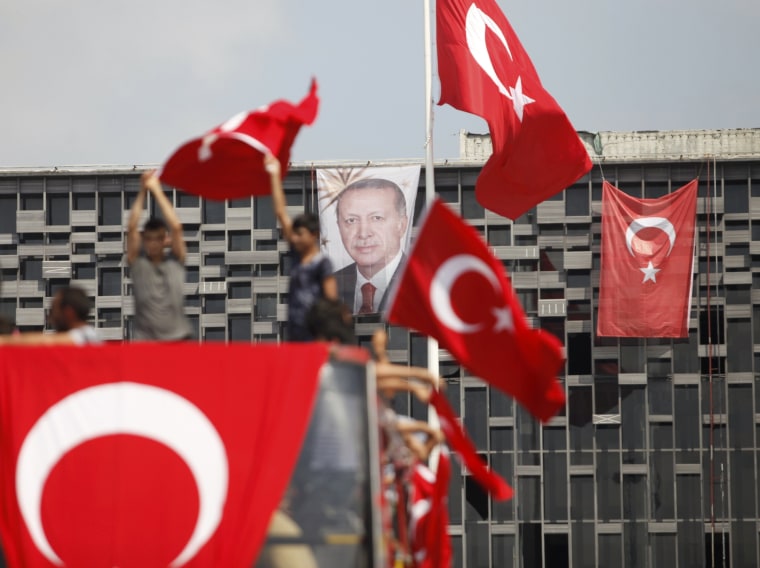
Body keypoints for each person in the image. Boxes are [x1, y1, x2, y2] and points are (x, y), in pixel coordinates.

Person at [267, 154, 338, 341]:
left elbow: (331, 300)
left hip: (316, 334)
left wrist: (329, 335)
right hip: (295, 332)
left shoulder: (322, 263)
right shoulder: (297, 256)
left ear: (314, 235)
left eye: (301, 234)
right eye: (295, 233)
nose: (296, 238)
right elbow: (281, 212)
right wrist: (274, 174)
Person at [127, 170, 193, 341]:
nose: (153, 243)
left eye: (158, 238)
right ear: (144, 240)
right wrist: (143, 190)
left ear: (166, 239)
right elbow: (132, 227)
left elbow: (176, 227)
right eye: (149, 239)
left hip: (177, 337)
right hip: (146, 339)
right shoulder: (139, 264)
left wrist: (157, 190)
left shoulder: (175, 261)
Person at [333, 178, 409, 315]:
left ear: (401, 225)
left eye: (376, 218)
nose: (363, 233)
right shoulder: (328, 287)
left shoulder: (425, 284)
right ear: (339, 227)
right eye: (351, 220)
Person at [0, 285, 101, 345]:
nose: (50, 318)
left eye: (53, 311)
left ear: (69, 312)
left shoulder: (87, 336)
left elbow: (47, 341)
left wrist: (6, 341)